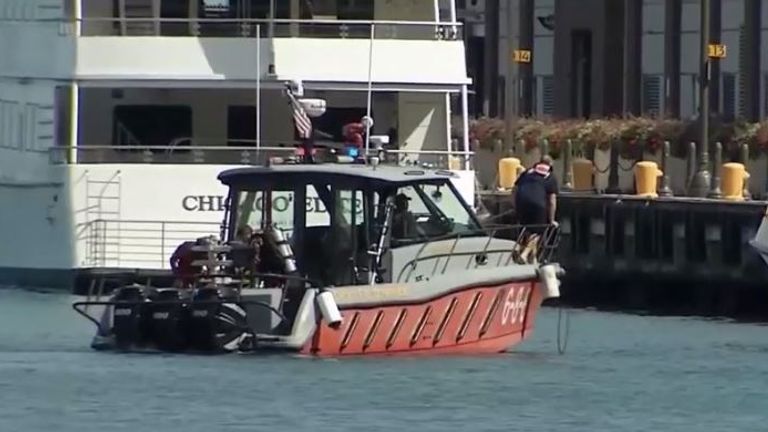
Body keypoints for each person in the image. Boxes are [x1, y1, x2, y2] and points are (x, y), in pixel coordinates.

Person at [512, 155, 559, 262]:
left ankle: (532, 259)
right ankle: (524, 254)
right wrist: (552, 220)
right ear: (550, 165)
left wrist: (515, 206)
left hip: (521, 202)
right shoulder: (550, 177)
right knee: (538, 231)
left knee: (527, 229)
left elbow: (514, 190)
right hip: (537, 204)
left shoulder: (527, 172)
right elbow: (552, 201)